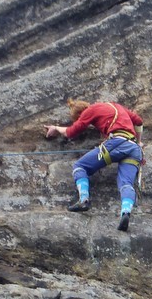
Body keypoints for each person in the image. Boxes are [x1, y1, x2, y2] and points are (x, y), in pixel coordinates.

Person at [44, 99, 143, 231]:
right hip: (134, 148)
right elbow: (139, 121)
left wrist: (56, 128)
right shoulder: (117, 106)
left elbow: (71, 132)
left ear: (80, 114)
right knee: (126, 183)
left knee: (80, 166)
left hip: (116, 144)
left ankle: (84, 200)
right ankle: (125, 212)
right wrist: (140, 141)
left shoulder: (90, 110)